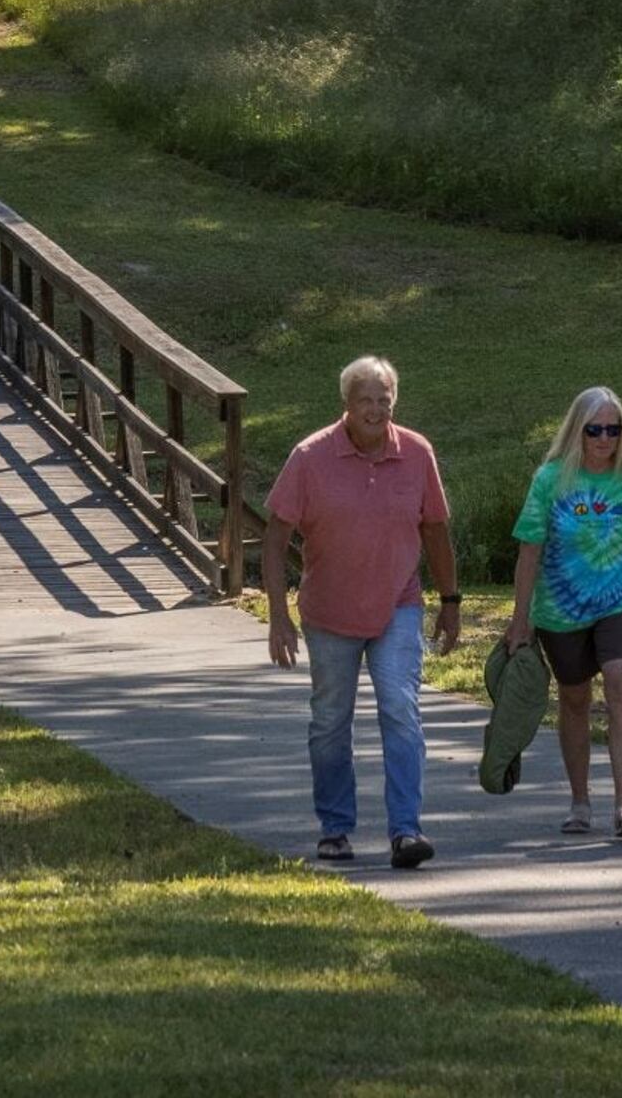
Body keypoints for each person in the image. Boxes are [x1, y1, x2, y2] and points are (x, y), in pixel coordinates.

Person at [264, 354, 460, 870]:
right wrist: (278, 615)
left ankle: (406, 830)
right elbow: (275, 534)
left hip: (399, 602)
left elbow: (435, 529)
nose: (375, 410)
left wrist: (450, 601)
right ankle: (335, 827)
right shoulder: (309, 457)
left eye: (384, 400)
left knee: (400, 708)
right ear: (346, 405)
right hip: (329, 610)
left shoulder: (417, 453)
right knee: (331, 720)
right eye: (365, 400)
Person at [499, 385, 622, 838]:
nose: (604, 439)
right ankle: (580, 802)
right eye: (594, 429)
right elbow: (529, 551)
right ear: (578, 430)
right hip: (561, 608)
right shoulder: (551, 479)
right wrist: (521, 620)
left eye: (613, 430)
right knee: (574, 699)